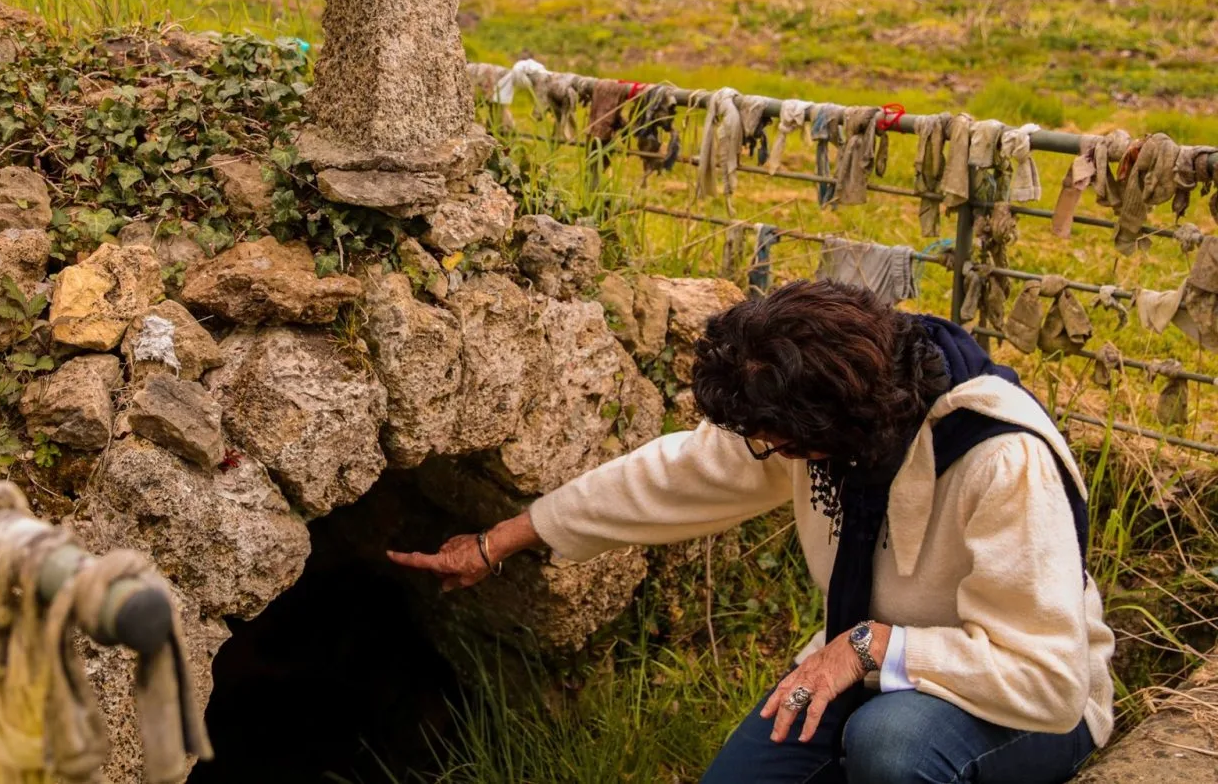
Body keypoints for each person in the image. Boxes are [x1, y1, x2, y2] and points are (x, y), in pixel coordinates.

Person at [389, 280, 1114, 784]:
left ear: (829, 430)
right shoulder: (840, 418)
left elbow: (1047, 678)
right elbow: (670, 476)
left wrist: (873, 646)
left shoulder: (1000, 457)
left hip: (1021, 709)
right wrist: (502, 541)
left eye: (776, 442)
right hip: (864, 671)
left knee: (890, 747)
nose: (767, 454)